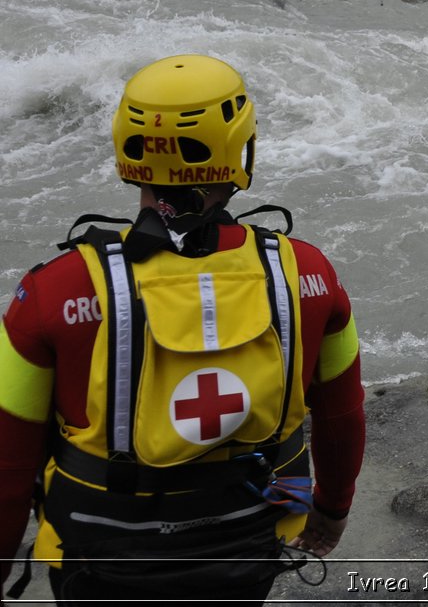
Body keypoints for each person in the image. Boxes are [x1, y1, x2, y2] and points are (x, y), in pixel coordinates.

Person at [0, 55, 365, 604]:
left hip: (102, 562)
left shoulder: (54, 291)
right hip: (250, 546)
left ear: (127, 149)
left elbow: (7, 462)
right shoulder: (308, 274)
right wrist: (332, 510)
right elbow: (342, 416)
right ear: (242, 148)